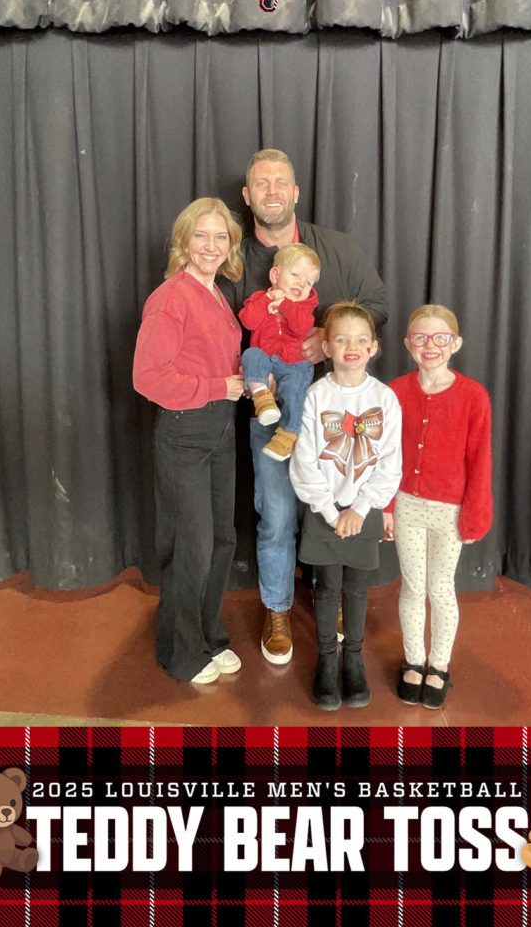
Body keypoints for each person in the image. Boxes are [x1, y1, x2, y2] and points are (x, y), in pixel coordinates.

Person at [220, 148, 387, 665]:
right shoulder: (232, 257)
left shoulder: (336, 248)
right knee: (276, 515)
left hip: (330, 410)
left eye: (281, 183)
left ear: (295, 192)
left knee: (329, 505)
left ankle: (326, 597)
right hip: (267, 413)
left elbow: (377, 305)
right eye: (261, 183)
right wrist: (250, 370)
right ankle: (277, 608)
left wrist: (325, 333)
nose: (272, 192)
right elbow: (215, 328)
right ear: (247, 196)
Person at [133, 198, 246, 685]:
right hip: (185, 433)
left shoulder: (217, 293)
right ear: (183, 241)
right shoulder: (171, 298)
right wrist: (220, 387)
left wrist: (249, 381)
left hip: (221, 428)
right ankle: (181, 652)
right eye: (201, 235)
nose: (211, 245)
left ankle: (208, 635)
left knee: (222, 539)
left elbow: (217, 363)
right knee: (192, 546)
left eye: (221, 236)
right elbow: (148, 378)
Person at [289, 303, 402, 709]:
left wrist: (361, 508)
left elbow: (390, 462)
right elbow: (304, 459)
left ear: (373, 347)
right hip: (325, 510)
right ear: (327, 347)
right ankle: (326, 658)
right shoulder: (316, 396)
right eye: (341, 339)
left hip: (363, 510)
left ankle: (353, 658)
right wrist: (331, 511)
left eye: (360, 340)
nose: (351, 347)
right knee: (326, 586)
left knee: (356, 587)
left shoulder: (384, 399)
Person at [385, 304, 492, 709]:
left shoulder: (473, 396)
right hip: (407, 506)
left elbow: (479, 459)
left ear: (455, 343)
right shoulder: (395, 392)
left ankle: (439, 664)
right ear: (408, 343)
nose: (430, 345)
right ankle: (414, 660)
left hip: (450, 510)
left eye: (440, 338)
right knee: (413, 586)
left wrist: (475, 514)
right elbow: (385, 456)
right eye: (421, 338)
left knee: (441, 588)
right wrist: (386, 506)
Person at [239, 244, 321, 461]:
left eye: (308, 282)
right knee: (251, 354)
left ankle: (288, 434)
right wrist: (267, 300)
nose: (301, 283)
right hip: (265, 363)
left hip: (294, 364)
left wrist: (284, 304)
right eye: (295, 275)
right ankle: (263, 398)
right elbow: (248, 321)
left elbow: (301, 327)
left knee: (295, 390)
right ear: (275, 275)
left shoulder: (304, 308)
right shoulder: (260, 298)